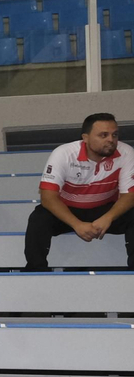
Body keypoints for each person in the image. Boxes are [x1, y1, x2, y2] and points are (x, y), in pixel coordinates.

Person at [24, 113, 133, 270]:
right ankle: (35, 270)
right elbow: (48, 197)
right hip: (68, 211)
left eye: (114, 134)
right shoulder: (64, 153)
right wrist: (77, 225)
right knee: (39, 218)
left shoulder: (126, 153)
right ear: (86, 138)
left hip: (105, 209)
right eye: (103, 135)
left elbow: (129, 195)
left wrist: (108, 217)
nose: (111, 139)